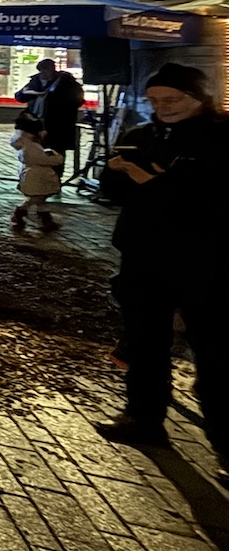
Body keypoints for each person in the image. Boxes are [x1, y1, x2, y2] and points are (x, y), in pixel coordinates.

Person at [94, 63, 229, 485]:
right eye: (155, 101)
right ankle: (143, 419)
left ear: (199, 98)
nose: (162, 107)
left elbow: (212, 202)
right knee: (144, 343)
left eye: (171, 100)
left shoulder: (222, 137)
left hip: (206, 262)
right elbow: (109, 193)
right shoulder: (143, 136)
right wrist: (115, 174)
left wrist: (153, 183)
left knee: (216, 354)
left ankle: (227, 445)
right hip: (144, 259)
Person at [14, 58, 83, 170]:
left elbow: (76, 100)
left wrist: (57, 101)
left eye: (47, 70)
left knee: (54, 154)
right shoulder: (36, 81)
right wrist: (29, 94)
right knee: (34, 154)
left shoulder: (66, 82)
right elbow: (19, 96)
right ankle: (33, 179)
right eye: (42, 71)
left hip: (56, 126)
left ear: (53, 69)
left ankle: (54, 180)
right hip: (35, 125)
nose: (44, 73)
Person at [10, 111, 62, 232]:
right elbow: (43, 159)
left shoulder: (28, 146)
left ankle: (45, 220)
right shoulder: (32, 147)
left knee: (40, 200)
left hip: (35, 176)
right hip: (36, 178)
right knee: (35, 199)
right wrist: (57, 158)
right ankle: (19, 214)